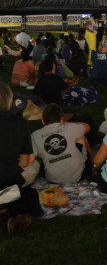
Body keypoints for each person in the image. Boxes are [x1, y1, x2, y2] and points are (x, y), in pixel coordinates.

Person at [0, 83, 42, 233]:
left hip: (8, 179)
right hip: (11, 179)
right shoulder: (20, 124)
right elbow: (25, 161)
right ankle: (10, 208)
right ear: (10, 102)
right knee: (35, 164)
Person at [31, 103, 91, 184]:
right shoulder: (69, 127)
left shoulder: (35, 135)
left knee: (37, 152)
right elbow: (87, 126)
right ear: (62, 119)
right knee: (81, 137)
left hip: (53, 179)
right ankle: (92, 161)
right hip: (78, 176)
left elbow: (31, 158)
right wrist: (65, 124)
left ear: (42, 120)